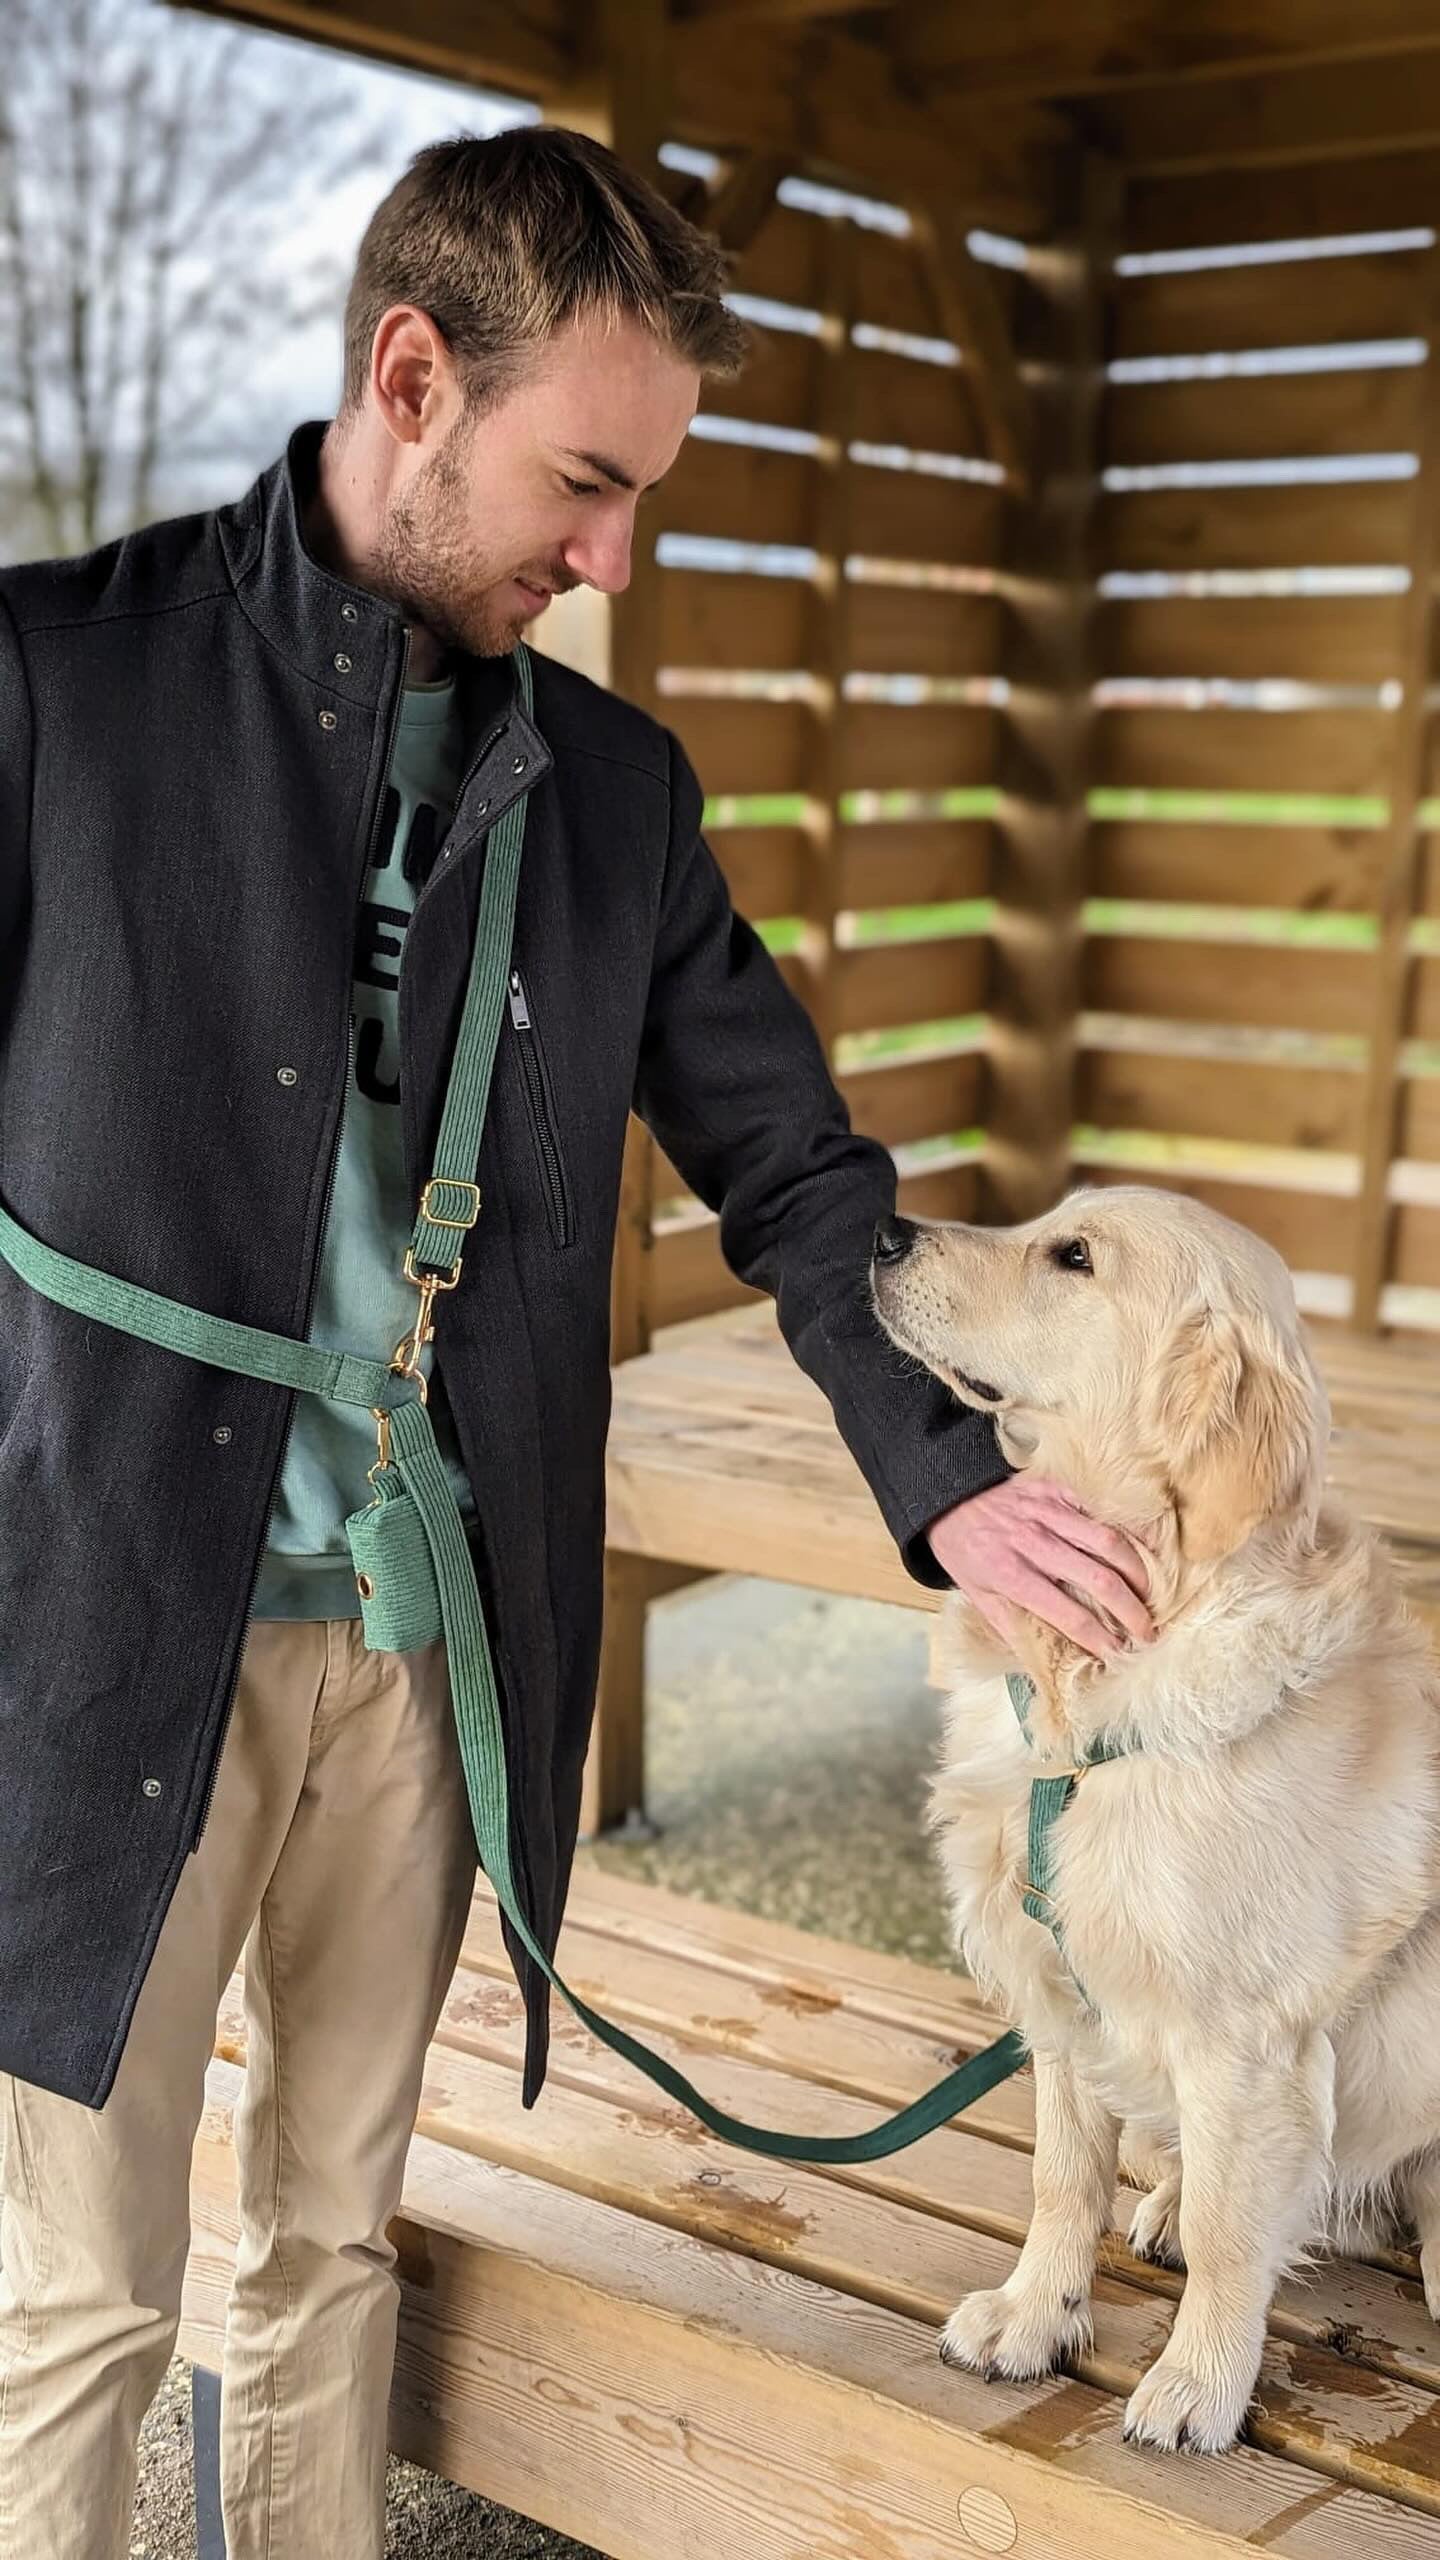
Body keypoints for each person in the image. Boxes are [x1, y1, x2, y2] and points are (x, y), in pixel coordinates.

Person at [0, 123, 1151, 2560]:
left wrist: (945, 1471)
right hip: (102, 1635)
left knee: (326, 2243)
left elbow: (799, 1172)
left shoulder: (615, 794)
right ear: (411, 375)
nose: (614, 559)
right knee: (77, 2295)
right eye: (588, 481)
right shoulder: (52, 686)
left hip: (433, 1659)